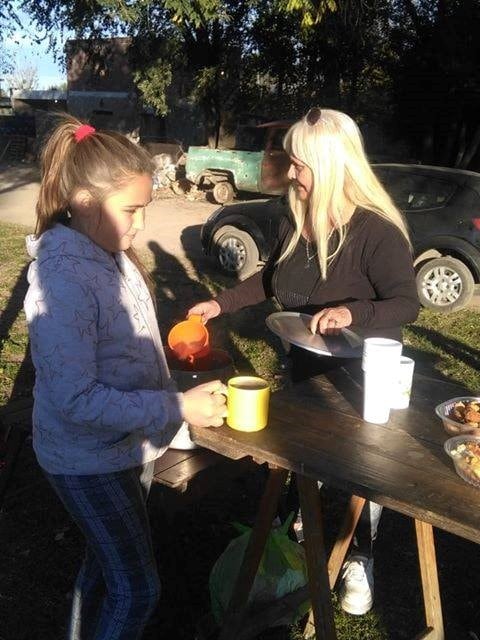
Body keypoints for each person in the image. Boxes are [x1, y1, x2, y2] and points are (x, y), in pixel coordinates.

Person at [188, 107, 420, 616]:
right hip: (307, 368)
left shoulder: (376, 232)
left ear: (331, 165)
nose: (290, 173)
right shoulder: (300, 218)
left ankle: (360, 554)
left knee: (364, 471)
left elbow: (407, 302)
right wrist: (220, 304)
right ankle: (302, 525)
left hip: (364, 374)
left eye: (299, 164)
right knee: (304, 458)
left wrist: (350, 310)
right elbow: (272, 280)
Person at [23, 115, 227, 640]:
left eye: (144, 210)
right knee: (137, 589)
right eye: (131, 210)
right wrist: (176, 407)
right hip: (85, 459)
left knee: (103, 564)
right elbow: (76, 398)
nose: (139, 225)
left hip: (120, 446)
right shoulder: (63, 280)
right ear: (87, 201)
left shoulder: (108, 255)